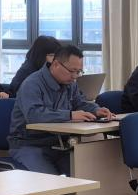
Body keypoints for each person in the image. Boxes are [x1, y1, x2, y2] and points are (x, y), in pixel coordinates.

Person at [7, 43, 111, 175]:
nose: (75, 76)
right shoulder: (32, 84)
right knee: (51, 182)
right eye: (72, 71)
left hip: (59, 143)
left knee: (88, 172)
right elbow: (34, 115)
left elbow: (80, 103)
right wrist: (70, 115)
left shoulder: (70, 84)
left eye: (78, 72)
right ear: (56, 64)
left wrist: (96, 110)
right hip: (29, 145)